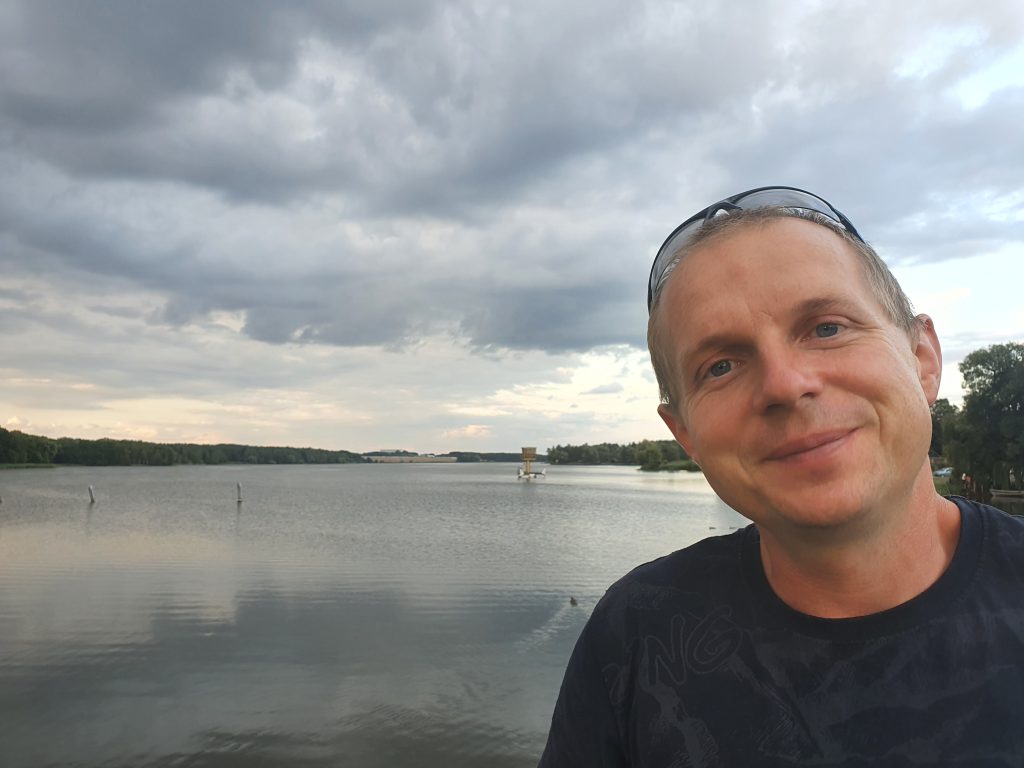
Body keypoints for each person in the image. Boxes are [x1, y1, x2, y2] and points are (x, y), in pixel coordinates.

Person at [538, 187, 1024, 766]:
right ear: (685, 434)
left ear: (923, 359)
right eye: (720, 366)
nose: (785, 385)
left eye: (827, 328)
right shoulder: (637, 635)